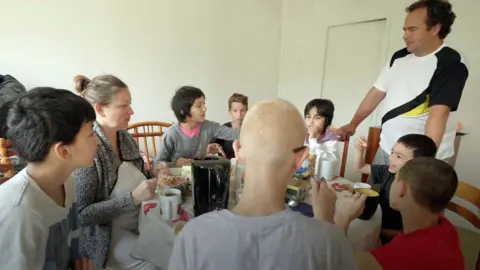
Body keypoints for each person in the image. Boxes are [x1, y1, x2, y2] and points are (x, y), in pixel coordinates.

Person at [168, 99, 358, 270]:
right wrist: (328, 224)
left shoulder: (192, 236)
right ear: (301, 158)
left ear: (238, 153)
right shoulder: (328, 241)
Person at [337, 0, 468, 165]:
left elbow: (438, 114)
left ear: (435, 28)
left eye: (412, 29)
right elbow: (376, 92)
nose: (405, 35)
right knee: (375, 191)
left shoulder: (451, 62)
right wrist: (353, 124)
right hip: (388, 149)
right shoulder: (399, 57)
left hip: (420, 158)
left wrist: (424, 160)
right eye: (405, 30)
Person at [0, 87, 98, 269]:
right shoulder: (20, 214)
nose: (97, 141)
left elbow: (74, 244)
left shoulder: (66, 181)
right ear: (63, 151)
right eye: (91, 133)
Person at [72, 75, 160, 270]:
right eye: (124, 105)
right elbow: (82, 215)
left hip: (140, 223)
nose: (132, 111)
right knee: (158, 264)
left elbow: (138, 175)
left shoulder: (125, 137)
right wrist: (132, 199)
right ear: (100, 109)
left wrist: (152, 172)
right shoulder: (89, 149)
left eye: (130, 104)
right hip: (108, 237)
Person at [349, 158, 464, 270]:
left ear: (402, 189)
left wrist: (343, 218)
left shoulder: (394, 258)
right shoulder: (446, 227)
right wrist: (382, 233)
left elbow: (338, 262)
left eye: (394, 179)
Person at [354, 133, 437, 243]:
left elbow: (415, 233)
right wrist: (360, 150)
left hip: (394, 238)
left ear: (417, 164)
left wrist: (378, 231)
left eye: (398, 156)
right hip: (376, 222)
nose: (391, 157)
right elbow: (360, 167)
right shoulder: (386, 171)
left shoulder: (418, 191)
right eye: (392, 152)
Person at [155, 86, 240, 167]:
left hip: (198, 176)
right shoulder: (171, 134)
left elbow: (235, 133)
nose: (204, 108)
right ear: (183, 111)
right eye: (199, 106)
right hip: (176, 178)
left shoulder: (209, 127)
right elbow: (157, 164)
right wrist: (174, 164)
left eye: (204, 104)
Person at [212, 93, 248, 159]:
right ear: (230, 112)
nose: (239, 114)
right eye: (235, 111)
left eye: (242, 110)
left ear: (247, 111)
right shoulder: (222, 130)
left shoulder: (253, 129)